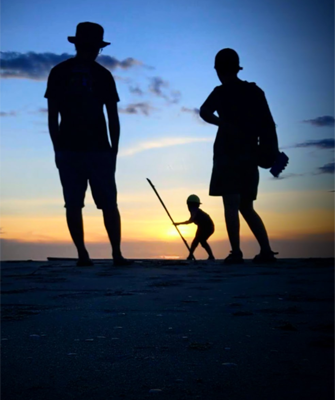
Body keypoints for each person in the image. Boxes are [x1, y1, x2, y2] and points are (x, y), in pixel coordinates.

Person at [45, 22, 131, 266]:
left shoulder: (59, 72)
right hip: (95, 150)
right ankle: (114, 254)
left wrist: (56, 149)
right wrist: (114, 150)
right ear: (95, 47)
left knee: (74, 204)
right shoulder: (102, 75)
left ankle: (85, 254)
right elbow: (113, 118)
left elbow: (52, 117)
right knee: (107, 205)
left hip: (72, 149)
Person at [199, 48, 278, 264]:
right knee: (246, 206)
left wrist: (222, 123)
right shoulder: (254, 91)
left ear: (218, 69)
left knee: (231, 205)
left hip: (227, 154)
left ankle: (236, 252)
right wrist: (270, 151)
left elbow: (204, 111)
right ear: (236, 68)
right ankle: (266, 251)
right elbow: (268, 124)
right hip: (249, 154)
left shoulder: (221, 92)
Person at [174, 195, 215, 261]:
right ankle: (191, 256)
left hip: (207, 227)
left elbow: (190, 220)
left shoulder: (194, 210)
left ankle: (210, 256)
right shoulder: (195, 210)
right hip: (202, 227)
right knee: (196, 242)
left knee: (201, 241)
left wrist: (178, 223)